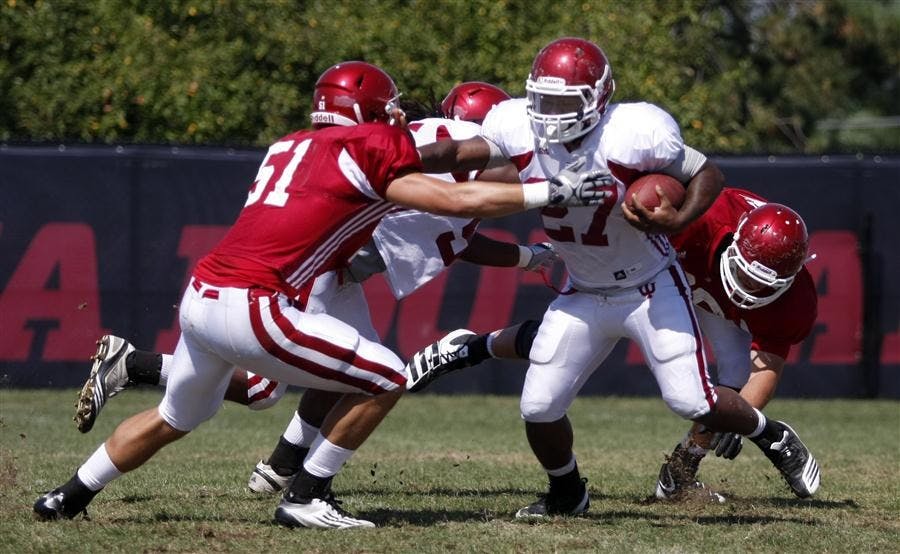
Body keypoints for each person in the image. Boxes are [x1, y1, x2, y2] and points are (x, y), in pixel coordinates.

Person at [34, 62, 608, 529]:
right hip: (258, 301)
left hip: (202, 294)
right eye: (388, 108)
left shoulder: (290, 145)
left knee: (177, 416)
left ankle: (67, 496)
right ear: (366, 115)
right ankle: (308, 494)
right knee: (386, 376)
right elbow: (456, 202)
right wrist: (552, 189)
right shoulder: (369, 148)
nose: (398, 115)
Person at [410, 37, 820, 518]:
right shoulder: (515, 124)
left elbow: (705, 171)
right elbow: (461, 154)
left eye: (565, 103)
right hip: (583, 289)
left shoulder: (634, 133)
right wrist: (396, 161)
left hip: (649, 285)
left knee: (691, 398)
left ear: (599, 98)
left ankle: (769, 433)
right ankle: (568, 493)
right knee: (538, 408)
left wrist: (675, 216)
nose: (551, 115)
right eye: (543, 100)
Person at [407, 188, 820, 503]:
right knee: (563, 348)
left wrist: (740, 418)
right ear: (735, 244)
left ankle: (680, 472)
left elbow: (765, 367)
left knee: (723, 385)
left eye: (762, 285)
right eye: (747, 275)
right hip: (652, 274)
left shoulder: (794, 299)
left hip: (698, 288)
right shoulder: (699, 219)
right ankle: (471, 348)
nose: (748, 290)